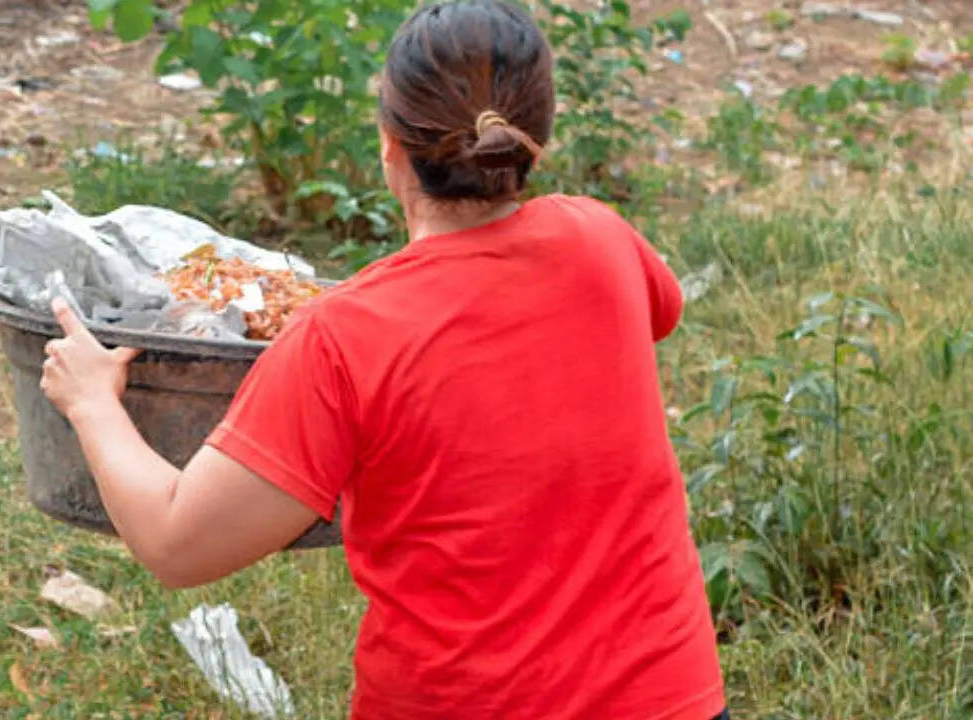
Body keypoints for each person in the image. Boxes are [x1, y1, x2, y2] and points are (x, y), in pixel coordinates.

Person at [39, 0, 726, 717]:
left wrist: (92, 402)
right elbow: (660, 307)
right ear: (534, 135)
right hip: (673, 699)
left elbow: (178, 545)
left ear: (389, 145)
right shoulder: (603, 241)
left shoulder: (342, 339)